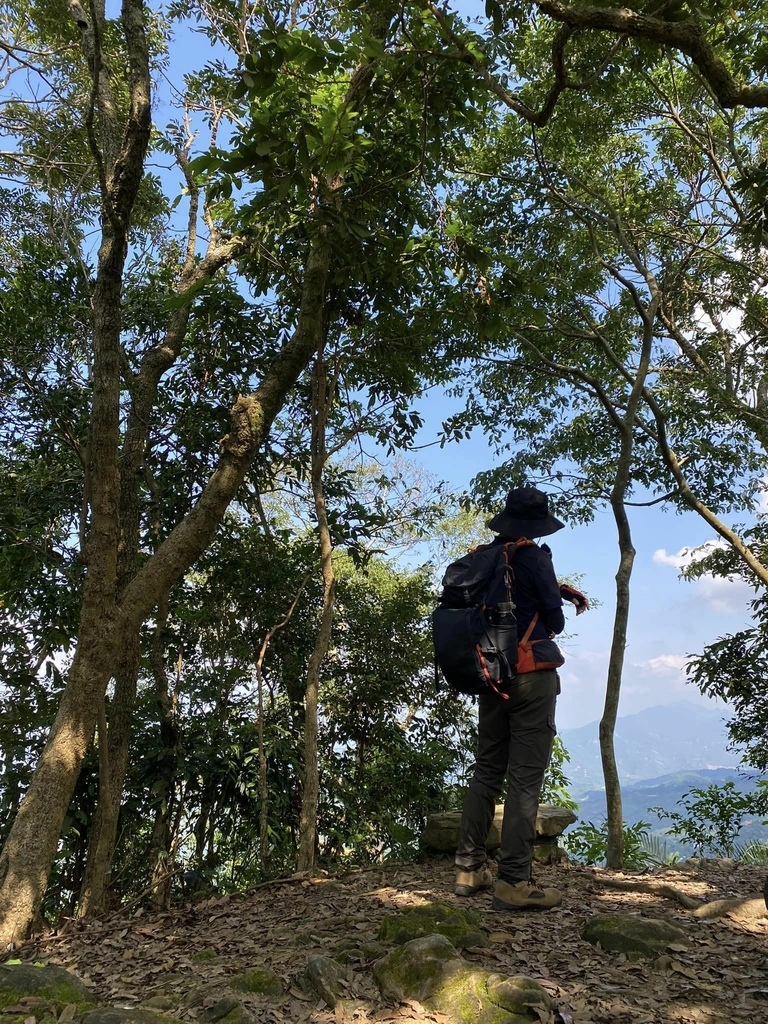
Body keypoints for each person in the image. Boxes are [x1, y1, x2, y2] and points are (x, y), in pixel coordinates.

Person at [453, 485, 589, 911]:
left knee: (487, 768)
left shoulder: (488, 557)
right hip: (531, 678)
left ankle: (469, 869)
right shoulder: (533, 556)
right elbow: (555, 621)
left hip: (492, 677)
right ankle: (513, 880)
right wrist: (557, 596)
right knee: (525, 777)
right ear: (537, 523)